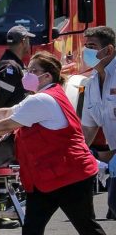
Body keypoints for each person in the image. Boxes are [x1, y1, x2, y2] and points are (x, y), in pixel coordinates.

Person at [0, 51, 106, 235]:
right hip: (48, 176)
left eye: (33, 70)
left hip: (70, 176)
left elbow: (7, 124)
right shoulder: (42, 96)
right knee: (32, 229)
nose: (27, 74)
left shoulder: (42, 99)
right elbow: (7, 112)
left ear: (46, 76)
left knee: (86, 227)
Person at [80, 26, 116, 220]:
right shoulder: (92, 83)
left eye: (92, 46)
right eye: (86, 46)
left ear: (109, 50)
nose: (87, 51)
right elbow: (88, 128)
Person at [0, 25, 34, 167]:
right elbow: (0, 101)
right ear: (24, 41)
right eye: (28, 41)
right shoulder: (10, 67)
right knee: (9, 167)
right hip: (7, 131)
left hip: (12, 127)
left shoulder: (14, 65)